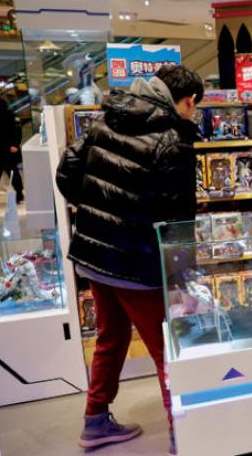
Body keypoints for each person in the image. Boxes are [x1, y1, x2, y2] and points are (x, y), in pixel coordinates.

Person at [55, 65, 204, 455]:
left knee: (111, 337)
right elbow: (178, 219)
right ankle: (182, 434)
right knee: (167, 350)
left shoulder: (108, 116)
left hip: (94, 255)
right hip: (138, 265)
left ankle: (95, 421)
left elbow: (66, 174)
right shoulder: (173, 140)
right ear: (188, 101)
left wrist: (101, 214)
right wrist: (184, 276)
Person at [0, 88, 23, 207]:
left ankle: (19, 194)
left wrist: (14, 144)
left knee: (12, 173)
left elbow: (16, 130)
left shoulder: (7, 113)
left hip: (5, 149)